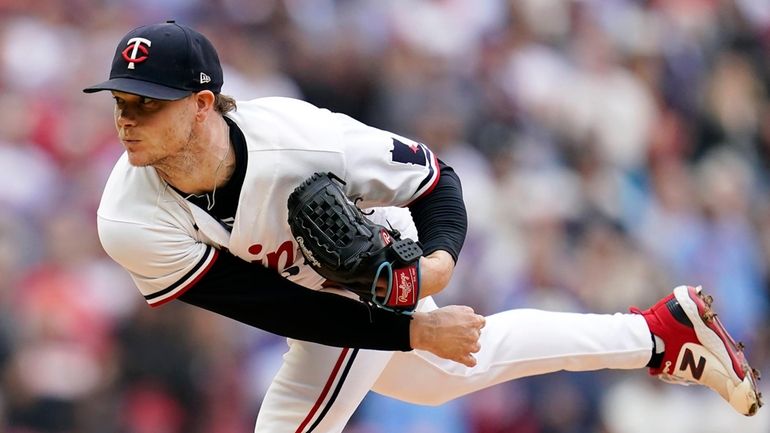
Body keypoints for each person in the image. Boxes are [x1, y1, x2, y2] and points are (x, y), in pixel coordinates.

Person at [84, 21, 762, 432]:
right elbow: (272, 306)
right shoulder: (127, 216)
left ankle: (653, 335)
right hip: (307, 297)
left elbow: (438, 180)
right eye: (121, 100)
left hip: (364, 267)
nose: (127, 118)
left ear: (203, 105)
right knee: (441, 373)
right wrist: (415, 331)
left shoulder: (303, 141)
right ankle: (655, 333)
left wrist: (433, 269)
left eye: (148, 103)